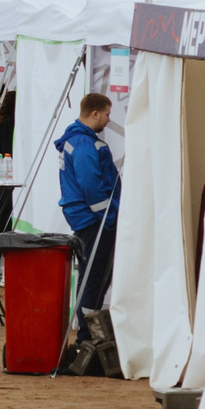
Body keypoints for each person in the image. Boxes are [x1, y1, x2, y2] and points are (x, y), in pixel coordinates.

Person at [57, 92, 122, 316]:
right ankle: (88, 334)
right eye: (107, 114)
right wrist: (109, 217)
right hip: (95, 221)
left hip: (88, 219)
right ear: (94, 113)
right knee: (95, 277)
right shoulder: (84, 144)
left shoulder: (75, 140)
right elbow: (91, 186)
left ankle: (87, 328)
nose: (108, 119)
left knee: (92, 275)